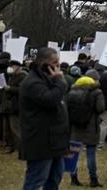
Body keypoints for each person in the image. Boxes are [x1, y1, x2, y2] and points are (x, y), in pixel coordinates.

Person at [19, 47, 70, 190]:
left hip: (55, 139)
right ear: (44, 63)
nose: (58, 66)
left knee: (55, 177)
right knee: (36, 179)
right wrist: (60, 81)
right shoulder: (32, 83)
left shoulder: (49, 80)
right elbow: (50, 100)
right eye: (55, 62)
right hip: (40, 141)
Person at [68, 69, 106, 187]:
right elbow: (100, 108)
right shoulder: (97, 92)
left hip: (75, 126)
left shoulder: (72, 90)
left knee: (73, 153)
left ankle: (73, 178)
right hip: (90, 126)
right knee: (90, 153)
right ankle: (93, 179)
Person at [0, 60, 26, 154]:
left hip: (16, 106)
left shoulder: (22, 76)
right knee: (9, 129)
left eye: (13, 66)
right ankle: (12, 146)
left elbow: (22, 90)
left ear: (18, 67)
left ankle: (21, 148)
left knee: (15, 128)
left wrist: (10, 89)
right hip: (10, 106)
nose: (11, 68)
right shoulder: (13, 76)